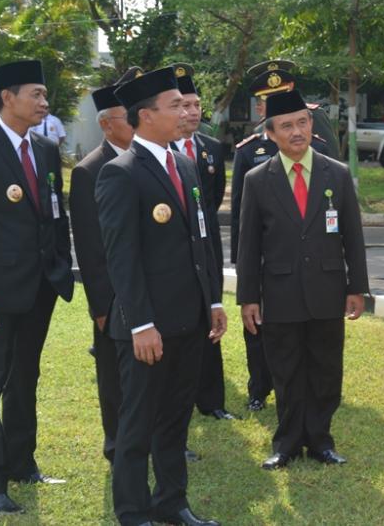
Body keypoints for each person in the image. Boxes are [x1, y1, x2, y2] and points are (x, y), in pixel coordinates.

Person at [95, 66, 225, 526]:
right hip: (148, 327)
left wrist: (213, 301)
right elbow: (121, 258)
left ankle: (171, 502)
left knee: (174, 419)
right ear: (146, 115)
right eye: (175, 105)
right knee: (137, 425)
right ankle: (133, 512)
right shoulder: (120, 173)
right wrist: (140, 323)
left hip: (189, 320)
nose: (185, 112)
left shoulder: (185, 164)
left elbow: (201, 239)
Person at [0, 59, 75, 515]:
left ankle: (22, 462)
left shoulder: (44, 148)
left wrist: (59, 264)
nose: (45, 102)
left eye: (44, 94)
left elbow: (54, 211)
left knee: (25, 377)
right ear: (8, 98)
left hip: (40, 286)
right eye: (35, 94)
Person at [236, 87, 370, 470]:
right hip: (280, 293)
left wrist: (357, 287)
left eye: (301, 123)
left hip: (328, 289)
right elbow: (248, 245)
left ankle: (321, 440)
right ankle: (287, 443)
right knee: (286, 370)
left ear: (311, 124)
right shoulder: (257, 180)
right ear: (270, 133)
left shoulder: (336, 174)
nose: (295, 132)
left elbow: (353, 236)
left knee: (326, 368)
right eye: (285, 126)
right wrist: (248, 297)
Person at [230, 63, 334, 412]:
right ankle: (259, 387)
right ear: (261, 108)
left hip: (308, 256)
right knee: (258, 324)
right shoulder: (248, 151)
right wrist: (243, 266)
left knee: (309, 323)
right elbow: (240, 218)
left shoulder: (320, 147)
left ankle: (308, 386)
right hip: (265, 258)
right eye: (268, 100)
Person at [69, 70, 138, 465]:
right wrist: (100, 305)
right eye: (128, 117)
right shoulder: (89, 171)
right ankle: (116, 443)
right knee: (113, 375)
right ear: (106, 124)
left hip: (146, 288)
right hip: (111, 296)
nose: (135, 122)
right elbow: (89, 247)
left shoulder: (143, 160)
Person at [170, 63, 236, 421]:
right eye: (184, 105)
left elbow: (211, 201)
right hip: (175, 254)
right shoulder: (160, 149)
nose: (193, 111)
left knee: (212, 314)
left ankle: (212, 401)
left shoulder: (210, 148)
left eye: (196, 104)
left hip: (207, 247)